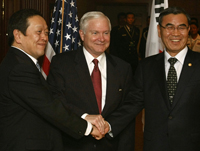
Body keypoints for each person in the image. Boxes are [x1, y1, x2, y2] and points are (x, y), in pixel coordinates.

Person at [0, 9, 104, 151]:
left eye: (46, 33)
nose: (44, 37)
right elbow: (49, 107)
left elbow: (49, 101)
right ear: (18, 35)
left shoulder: (19, 62)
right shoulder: (19, 68)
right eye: (39, 32)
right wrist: (88, 128)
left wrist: (83, 117)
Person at [47, 11, 136, 151]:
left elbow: (127, 110)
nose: (101, 38)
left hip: (110, 145)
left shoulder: (123, 68)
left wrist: (110, 126)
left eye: (106, 33)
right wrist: (85, 117)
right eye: (95, 33)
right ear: (82, 35)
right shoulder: (62, 64)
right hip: (73, 145)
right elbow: (55, 99)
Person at [128, 7, 200, 151]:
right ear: (159, 31)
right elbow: (132, 104)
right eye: (169, 27)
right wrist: (107, 124)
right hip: (155, 145)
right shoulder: (146, 66)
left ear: (188, 30)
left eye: (181, 27)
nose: (175, 33)